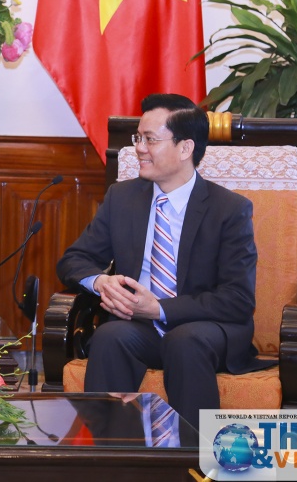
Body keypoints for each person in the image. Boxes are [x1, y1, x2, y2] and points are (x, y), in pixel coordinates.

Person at [56, 93, 268, 429]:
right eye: (138, 137)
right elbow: (74, 259)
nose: (139, 148)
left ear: (185, 148)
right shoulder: (122, 198)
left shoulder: (229, 210)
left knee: (184, 342)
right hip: (142, 330)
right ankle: (110, 459)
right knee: (110, 337)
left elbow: (237, 300)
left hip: (207, 328)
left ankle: (195, 462)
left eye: (150, 140)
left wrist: (160, 309)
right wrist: (101, 282)